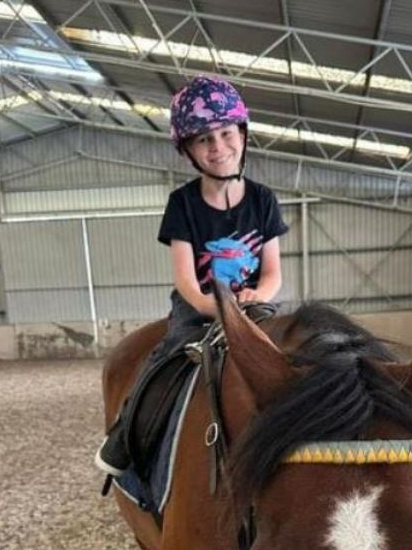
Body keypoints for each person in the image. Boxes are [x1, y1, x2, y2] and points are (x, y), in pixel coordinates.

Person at [95, 74, 288, 476]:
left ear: (241, 133)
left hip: (254, 305)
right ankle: (128, 433)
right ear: (189, 150)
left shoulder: (263, 200)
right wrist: (215, 309)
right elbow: (185, 279)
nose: (218, 146)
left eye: (224, 132)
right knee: (163, 361)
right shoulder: (182, 204)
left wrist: (257, 297)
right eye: (204, 139)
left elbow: (272, 272)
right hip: (198, 309)